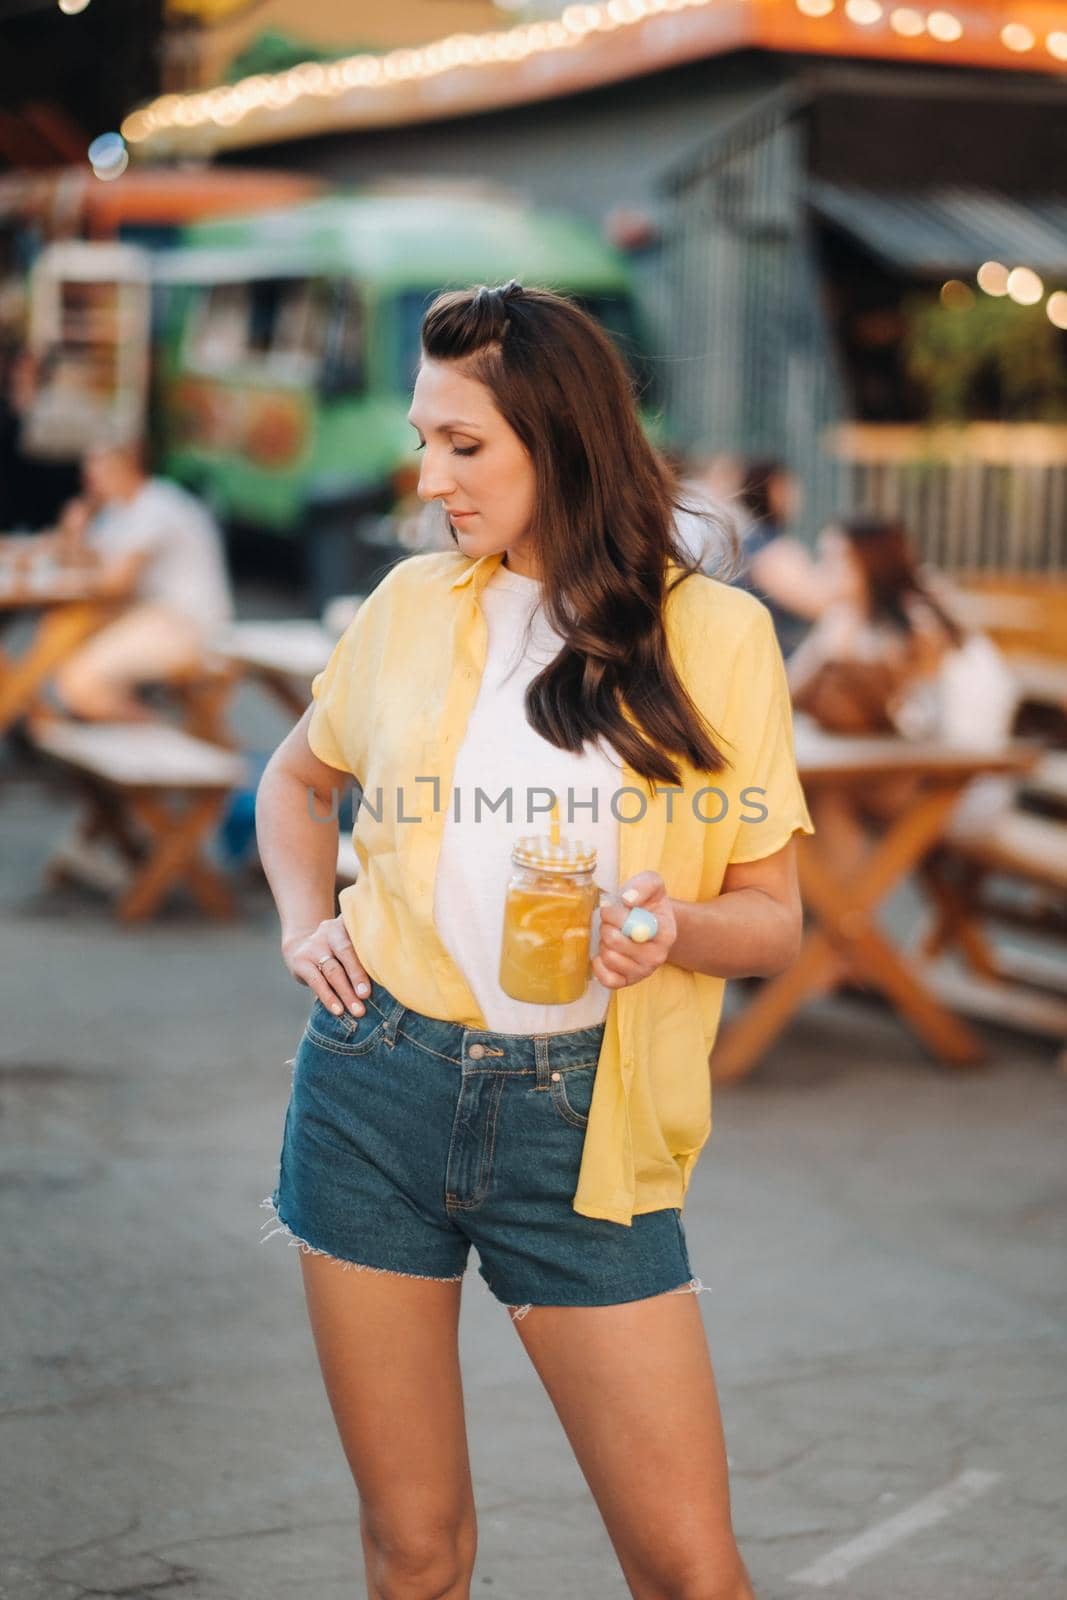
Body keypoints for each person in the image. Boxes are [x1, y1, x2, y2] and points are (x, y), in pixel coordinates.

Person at [255, 282, 812, 1600]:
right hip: (369, 1089)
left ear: (557, 440)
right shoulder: (404, 604)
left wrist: (670, 926)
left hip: (580, 1120)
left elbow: (772, 922)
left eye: (464, 445)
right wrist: (302, 922)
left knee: (685, 1568)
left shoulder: (712, 637)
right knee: (411, 1553)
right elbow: (291, 782)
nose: (428, 473)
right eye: (423, 438)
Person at [787, 515, 1017, 870]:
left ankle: (839, 916)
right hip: (922, 772)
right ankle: (840, 915)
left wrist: (836, 648)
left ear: (868, 563)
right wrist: (829, 641)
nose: (823, 572)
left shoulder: (920, 625)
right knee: (818, 795)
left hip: (963, 785)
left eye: (834, 560)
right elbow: (789, 691)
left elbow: (900, 716)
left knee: (824, 794)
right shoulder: (853, 617)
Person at [51, 441, 234, 721]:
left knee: (78, 682)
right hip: (154, 617)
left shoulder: (157, 506)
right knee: (65, 642)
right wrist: (74, 535)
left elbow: (115, 583)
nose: (90, 482)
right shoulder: (120, 510)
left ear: (126, 467)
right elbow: (92, 565)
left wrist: (59, 576)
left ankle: (164, 744)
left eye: (97, 472)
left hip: (188, 626)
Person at [730, 460, 833, 657]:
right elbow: (817, 604)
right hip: (775, 659)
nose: (796, 496)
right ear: (772, 490)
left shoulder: (751, 541)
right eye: (788, 488)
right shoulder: (769, 550)